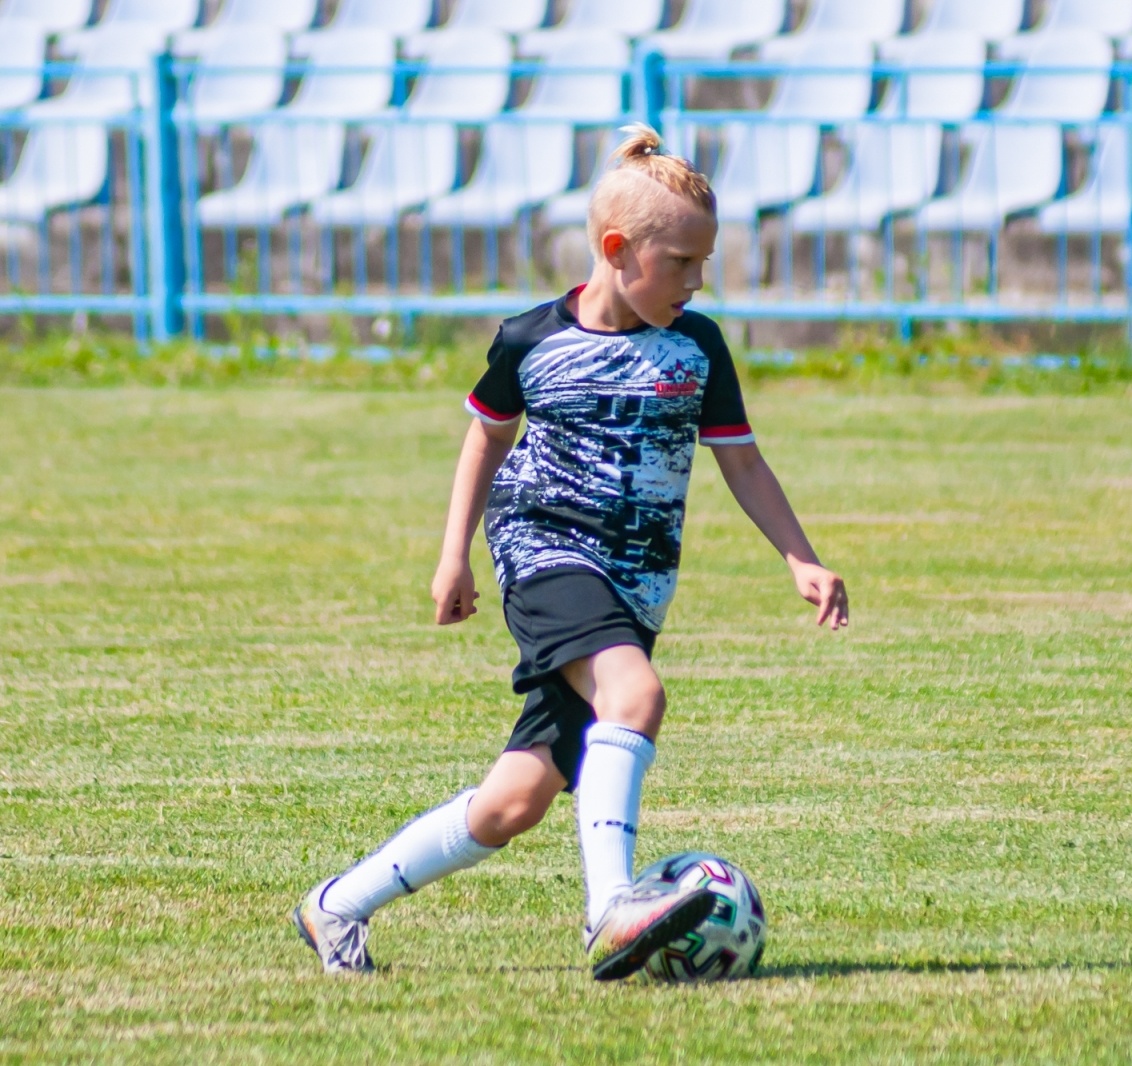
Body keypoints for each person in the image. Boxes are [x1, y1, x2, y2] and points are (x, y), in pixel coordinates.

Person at [290, 124, 849, 982]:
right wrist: (454, 558)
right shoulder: (530, 340)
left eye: (705, 265)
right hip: (543, 547)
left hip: (634, 585)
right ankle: (610, 910)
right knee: (636, 693)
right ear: (618, 250)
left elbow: (739, 455)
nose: (696, 282)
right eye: (681, 264)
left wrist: (798, 556)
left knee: (515, 802)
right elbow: (485, 440)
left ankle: (336, 907)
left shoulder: (696, 348)